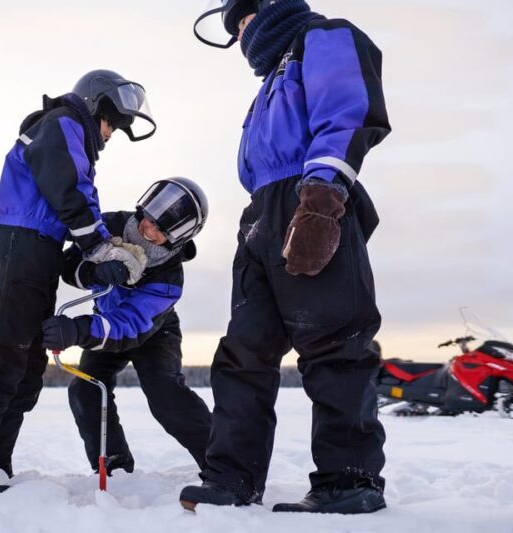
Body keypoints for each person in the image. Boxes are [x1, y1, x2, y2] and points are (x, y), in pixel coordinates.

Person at [180, 0, 391, 514]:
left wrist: (322, 203)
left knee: (335, 341)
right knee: (243, 352)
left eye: (245, 20)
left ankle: (348, 481)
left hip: (312, 198)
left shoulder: (321, 39)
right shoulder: (267, 83)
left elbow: (346, 109)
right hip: (261, 216)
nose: (242, 34)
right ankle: (233, 476)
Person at [0, 69, 157, 505]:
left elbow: (76, 197)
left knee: (25, 368)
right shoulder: (61, 126)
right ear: (97, 106)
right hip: (15, 247)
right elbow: (68, 190)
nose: (110, 136)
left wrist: (98, 261)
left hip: (36, 252)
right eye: (112, 124)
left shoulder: (72, 138)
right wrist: (99, 246)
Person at [41, 178, 212, 476]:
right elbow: (69, 266)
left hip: (153, 332)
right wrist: (94, 271)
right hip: (106, 323)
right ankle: (115, 467)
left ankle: (222, 465)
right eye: (149, 221)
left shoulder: (168, 279)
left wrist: (78, 331)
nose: (149, 231)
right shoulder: (110, 226)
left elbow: (130, 326)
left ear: (178, 237)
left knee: (166, 397)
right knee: (85, 389)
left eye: (160, 231)